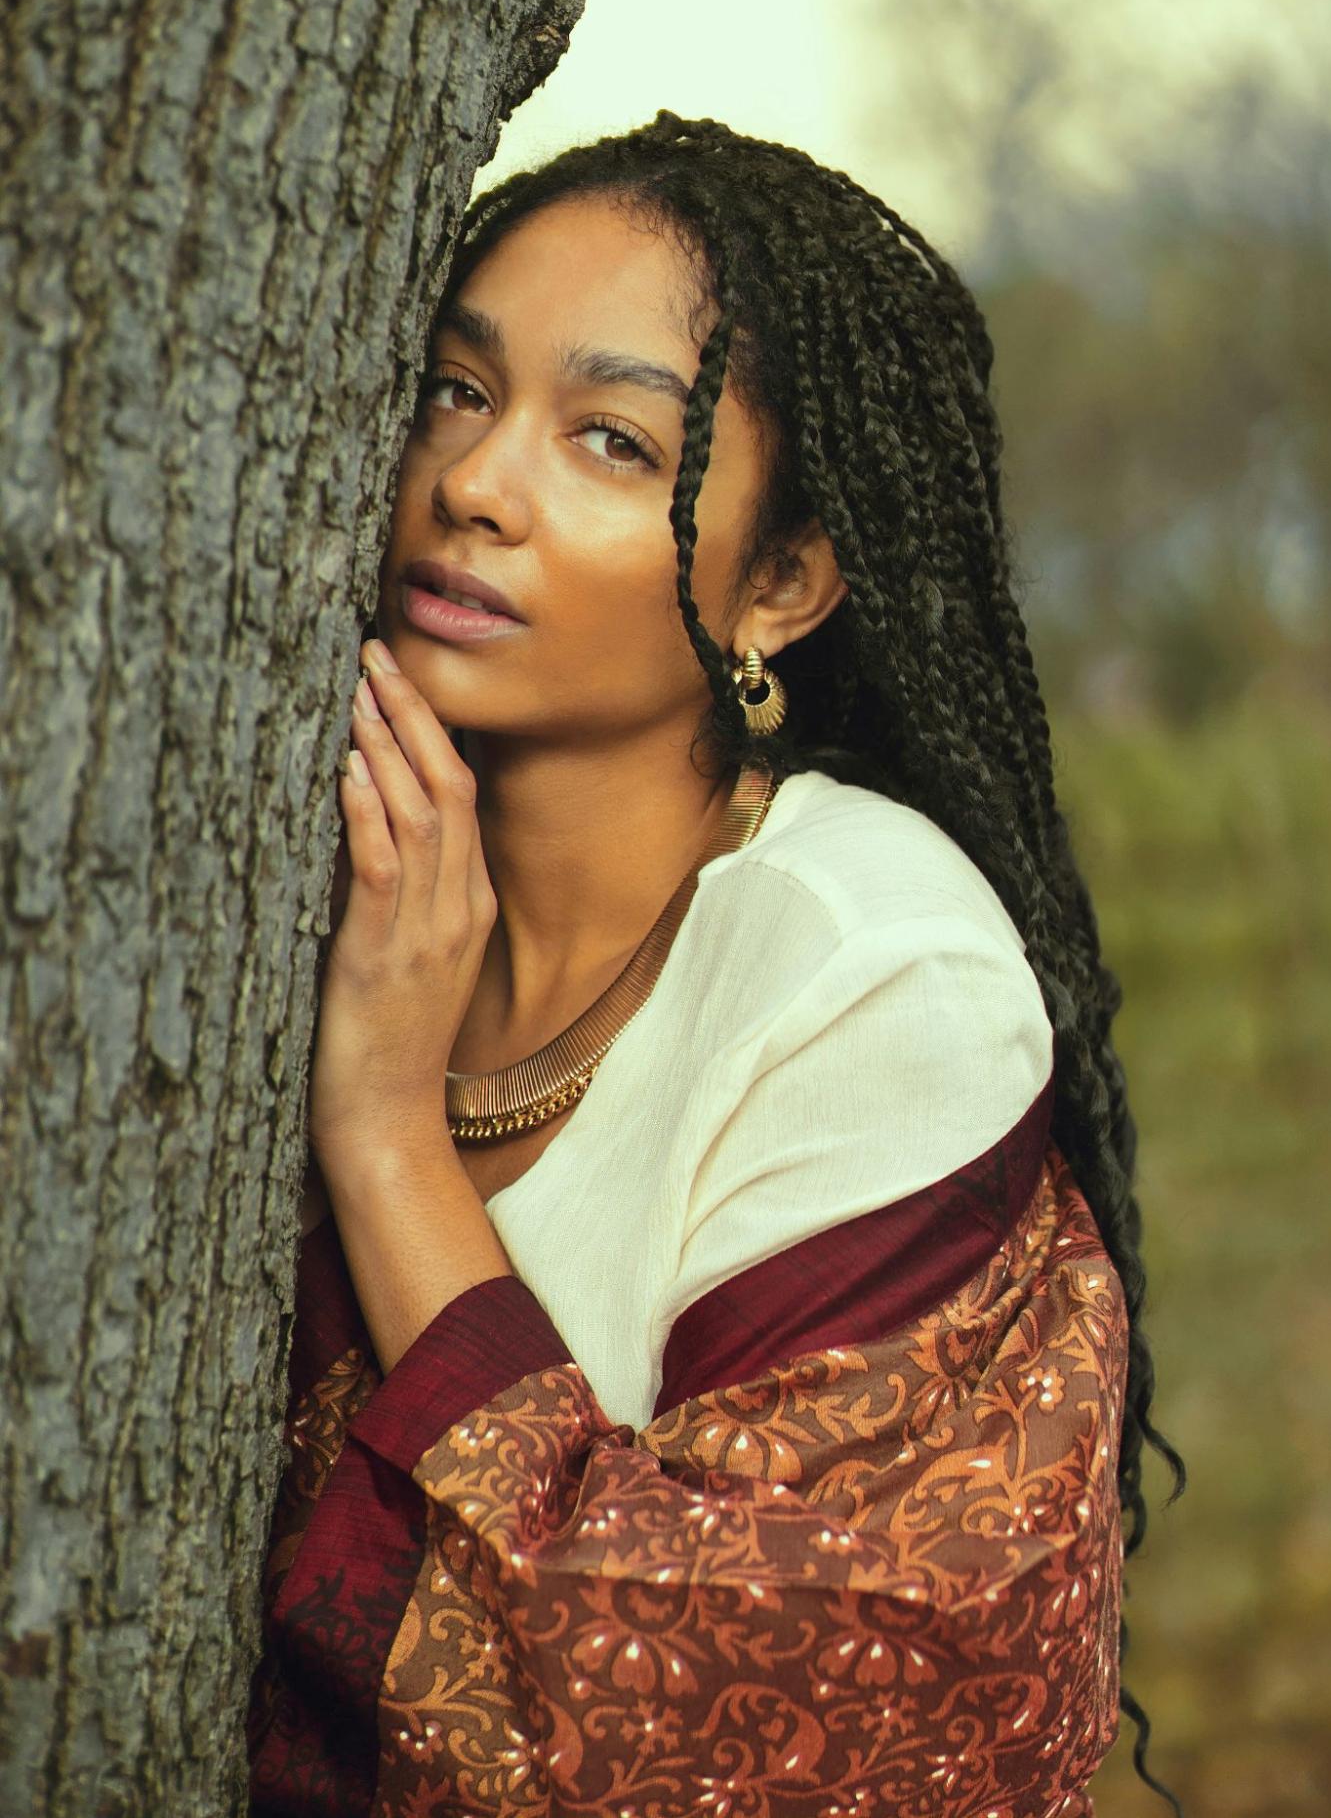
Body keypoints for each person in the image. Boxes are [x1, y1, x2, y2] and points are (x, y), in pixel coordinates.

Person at [246, 113, 1186, 1818]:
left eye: (611, 441)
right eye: (456, 391)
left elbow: (708, 1725)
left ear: (781, 586)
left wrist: (383, 1126)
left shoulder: (874, 973)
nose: (474, 482)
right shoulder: (273, 877)